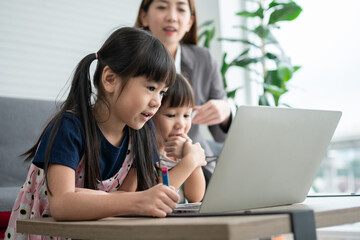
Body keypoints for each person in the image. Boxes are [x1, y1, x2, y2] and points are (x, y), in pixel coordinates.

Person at [5, 27, 187, 240]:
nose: (158, 102)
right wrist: (139, 200)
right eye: (150, 88)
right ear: (110, 79)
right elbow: (62, 205)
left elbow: (123, 200)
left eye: (162, 92)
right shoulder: (69, 127)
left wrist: (131, 199)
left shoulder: (143, 134)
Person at [135, 0, 233, 183]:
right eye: (162, 7)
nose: (172, 16)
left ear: (190, 22)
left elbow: (221, 135)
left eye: (181, 9)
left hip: (198, 167)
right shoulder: (130, 60)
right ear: (144, 16)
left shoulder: (204, 58)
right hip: (144, 163)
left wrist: (225, 111)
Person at [153, 74, 206, 203]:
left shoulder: (185, 150)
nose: (181, 124)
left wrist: (191, 157)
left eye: (187, 115)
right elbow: (158, 192)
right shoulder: (149, 151)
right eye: (171, 115)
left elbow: (195, 196)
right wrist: (190, 160)